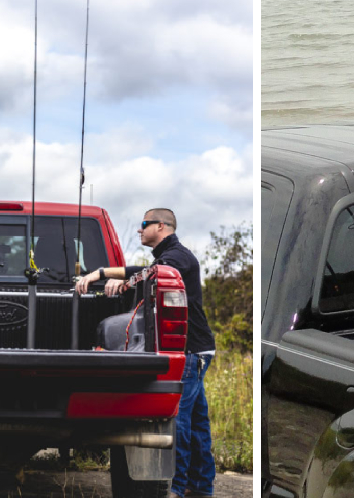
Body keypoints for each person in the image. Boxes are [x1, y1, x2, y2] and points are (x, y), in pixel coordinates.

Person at [75, 208, 216, 498]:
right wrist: (100, 273)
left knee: (180, 420)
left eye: (143, 225)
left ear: (161, 226)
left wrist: (126, 283)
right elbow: (138, 271)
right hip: (197, 349)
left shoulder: (177, 258)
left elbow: (149, 275)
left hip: (190, 351)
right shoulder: (168, 256)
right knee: (198, 422)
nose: (139, 230)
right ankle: (201, 487)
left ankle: (176, 489)